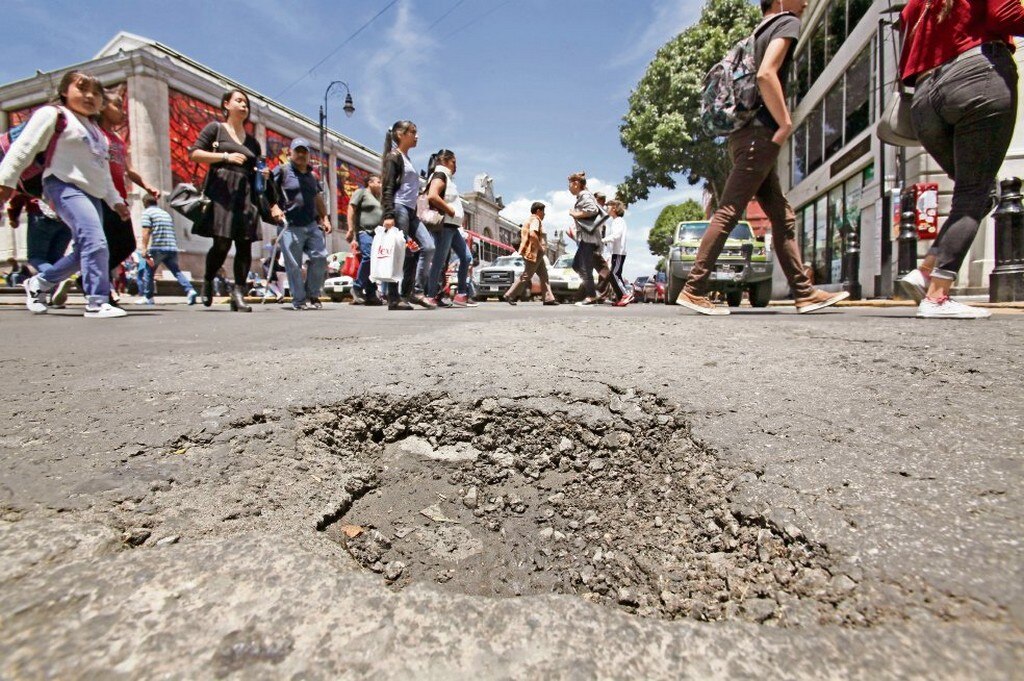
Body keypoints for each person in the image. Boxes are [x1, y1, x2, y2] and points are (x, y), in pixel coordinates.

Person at [677, 0, 848, 315]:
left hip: (743, 135)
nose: (808, 2)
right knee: (729, 209)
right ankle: (694, 288)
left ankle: (803, 292)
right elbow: (767, 74)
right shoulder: (787, 22)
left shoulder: (756, 34)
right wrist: (784, 122)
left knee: (782, 217)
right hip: (760, 134)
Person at [896, 0, 1024, 319]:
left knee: (978, 194)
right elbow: (1005, 14)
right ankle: (937, 295)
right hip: (977, 76)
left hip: (925, 98)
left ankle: (926, 270)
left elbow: (905, 55)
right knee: (974, 193)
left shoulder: (915, 4)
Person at [0, 70, 130, 318]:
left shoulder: (97, 133)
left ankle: (38, 283)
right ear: (63, 91)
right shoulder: (54, 115)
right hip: (62, 185)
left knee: (85, 250)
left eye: (96, 93)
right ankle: (96, 301)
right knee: (97, 242)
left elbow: (102, 172)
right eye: (82, 88)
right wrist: (5, 180)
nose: (90, 96)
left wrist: (116, 201)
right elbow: (24, 147)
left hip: (92, 194)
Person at [189, 88, 266, 312]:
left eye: (246, 103)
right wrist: (225, 156)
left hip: (246, 194)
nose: (244, 106)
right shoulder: (216, 129)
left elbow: (255, 169)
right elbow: (194, 153)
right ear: (226, 105)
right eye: (239, 101)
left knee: (245, 245)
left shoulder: (253, 142)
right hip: (222, 191)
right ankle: (208, 279)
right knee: (222, 243)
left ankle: (238, 294)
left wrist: (262, 174)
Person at [98, 84, 160, 305]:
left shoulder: (116, 139)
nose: (122, 111)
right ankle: (98, 288)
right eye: (117, 105)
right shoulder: (95, 134)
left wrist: (147, 186)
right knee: (98, 244)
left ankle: (96, 278)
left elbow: (127, 169)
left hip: (118, 199)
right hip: (99, 198)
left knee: (126, 244)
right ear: (102, 106)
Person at [268, 138, 331, 310]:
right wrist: (274, 207)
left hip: (311, 224)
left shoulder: (312, 176)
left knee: (320, 257)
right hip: (290, 225)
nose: (301, 155)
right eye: (298, 151)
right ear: (291, 152)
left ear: (309, 155)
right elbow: (268, 191)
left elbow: (318, 198)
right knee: (294, 265)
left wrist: (324, 218)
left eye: (304, 151)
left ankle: (312, 294)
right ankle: (299, 300)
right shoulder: (282, 171)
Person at [380, 120, 435, 311]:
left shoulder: (407, 158)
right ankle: (394, 298)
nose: (417, 136)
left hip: (411, 211)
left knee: (427, 247)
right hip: (399, 208)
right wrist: (389, 215)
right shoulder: (393, 157)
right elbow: (387, 187)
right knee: (399, 253)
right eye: (413, 132)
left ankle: (414, 291)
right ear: (401, 134)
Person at [424, 150, 477, 308]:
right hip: (445, 225)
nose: (456, 166)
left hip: (452, 226)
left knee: (466, 258)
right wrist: (450, 210)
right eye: (454, 162)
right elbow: (432, 196)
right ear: (445, 161)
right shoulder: (440, 175)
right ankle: (431, 295)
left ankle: (461, 295)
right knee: (440, 261)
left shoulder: (446, 178)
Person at [6, 196, 74, 305]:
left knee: (36, 256)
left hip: (40, 212)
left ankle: (57, 279)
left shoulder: (34, 178)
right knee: (56, 258)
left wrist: (14, 216)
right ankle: (55, 295)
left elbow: (19, 193)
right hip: (66, 215)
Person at [134, 194, 198, 305]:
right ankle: (190, 290)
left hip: (158, 248)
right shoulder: (165, 213)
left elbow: (146, 231)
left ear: (145, 203)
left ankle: (148, 297)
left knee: (148, 272)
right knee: (176, 271)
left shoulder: (147, 213)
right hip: (171, 247)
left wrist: (144, 248)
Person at [567, 171, 613, 306]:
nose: (569, 188)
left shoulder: (584, 195)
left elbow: (592, 210)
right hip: (585, 238)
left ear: (576, 184)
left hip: (589, 238)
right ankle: (592, 291)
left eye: (570, 185)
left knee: (584, 267)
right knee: (577, 265)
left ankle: (592, 296)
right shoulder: (585, 193)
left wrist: (575, 213)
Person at [503, 202, 559, 306]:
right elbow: (533, 235)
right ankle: (510, 294)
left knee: (544, 275)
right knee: (527, 275)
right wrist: (540, 248)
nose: (544, 214)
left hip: (536, 253)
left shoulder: (530, 220)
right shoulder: (535, 219)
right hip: (534, 252)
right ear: (538, 211)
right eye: (543, 212)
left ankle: (548, 298)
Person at [346, 173, 384, 305]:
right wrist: (350, 229)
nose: (380, 185)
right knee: (369, 257)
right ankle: (357, 287)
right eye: (378, 182)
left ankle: (371, 292)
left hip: (377, 234)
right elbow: (351, 209)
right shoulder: (361, 192)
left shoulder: (378, 198)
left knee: (376, 262)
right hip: (364, 231)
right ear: (370, 182)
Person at [603, 200, 632, 306]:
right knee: (614, 275)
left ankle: (626, 294)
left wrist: (603, 240)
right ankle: (621, 298)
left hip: (618, 252)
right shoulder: (615, 221)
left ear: (614, 208)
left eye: (608, 206)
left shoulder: (618, 221)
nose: (606, 208)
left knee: (614, 274)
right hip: (615, 252)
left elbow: (616, 236)